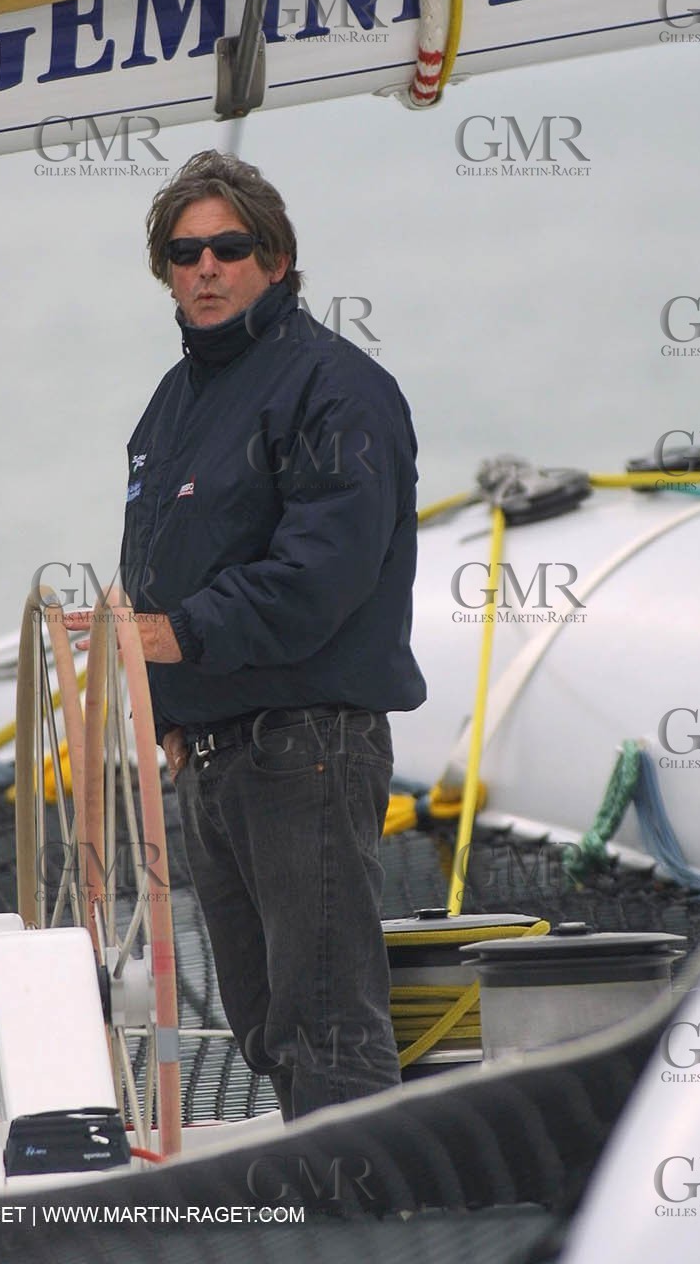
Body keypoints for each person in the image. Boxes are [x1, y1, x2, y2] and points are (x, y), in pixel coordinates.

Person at [92, 148, 426, 1121]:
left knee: (324, 1021)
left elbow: (322, 575)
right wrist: (163, 703)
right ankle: (324, 1203)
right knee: (262, 1023)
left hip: (307, 748)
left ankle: (360, 1221)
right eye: (182, 250)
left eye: (227, 248)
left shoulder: (336, 388)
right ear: (163, 267)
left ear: (275, 259)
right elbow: (158, 558)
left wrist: (176, 638)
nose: (204, 267)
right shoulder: (175, 399)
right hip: (213, 755)